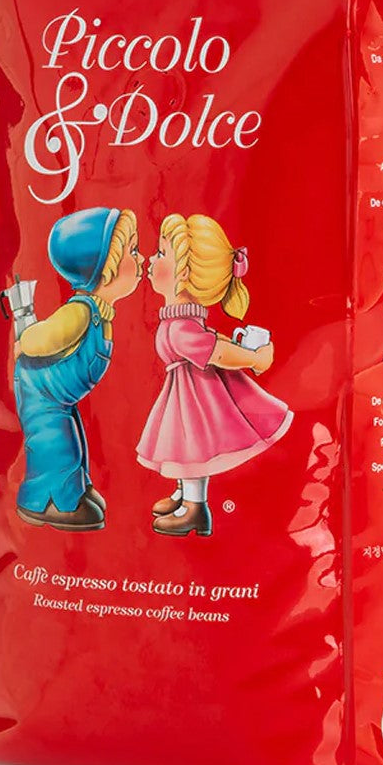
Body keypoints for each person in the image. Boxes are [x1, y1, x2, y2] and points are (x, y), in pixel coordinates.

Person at [137, 213, 292, 537]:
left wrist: (255, 358)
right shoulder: (180, 322)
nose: (151, 259)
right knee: (184, 447)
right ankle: (184, 493)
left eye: (162, 253)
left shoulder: (181, 328)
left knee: (192, 448)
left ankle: (194, 508)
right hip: (186, 397)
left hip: (197, 402)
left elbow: (217, 351)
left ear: (184, 274)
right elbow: (214, 343)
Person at [12, 207, 142, 531]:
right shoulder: (79, 313)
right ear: (105, 268)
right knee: (56, 442)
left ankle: (75, 490)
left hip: (60, 397)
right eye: (133, 251)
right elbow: (38, 339)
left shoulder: (99, 311)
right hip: (42, 396)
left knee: (75, 437)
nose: (141, 259)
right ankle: (48, 501)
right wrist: (24, 339)